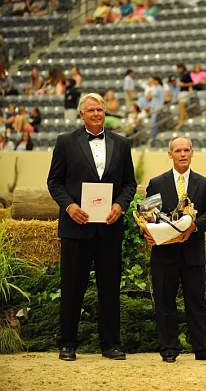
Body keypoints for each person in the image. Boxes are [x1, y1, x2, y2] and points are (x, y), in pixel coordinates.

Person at [47, 92, 137, 362]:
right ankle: (68, 343)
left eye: (100, 109)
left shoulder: (122, 144)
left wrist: (120, 206)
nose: (97, 114)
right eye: (91, 110)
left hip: (109, 228)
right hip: (76, 228)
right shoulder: (65, 142)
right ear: (82, 114)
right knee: (72, 286)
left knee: (109, 288)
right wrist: (70, 207)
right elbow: (55, 182)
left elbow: (130, 184)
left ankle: (110, 344)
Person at [143, 136, 206, 364]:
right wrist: (146, 232)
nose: (183, 154)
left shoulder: (205, 184)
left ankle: (203, 349)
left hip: (193, 253)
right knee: (165, 302)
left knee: (197, 302)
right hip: (164, 255)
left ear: (192, 153)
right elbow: (148, 214)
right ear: (170, 155)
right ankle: (169, 349)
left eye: (187, 150)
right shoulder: (156, 183)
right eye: (178, 150)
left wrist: (194, 226)